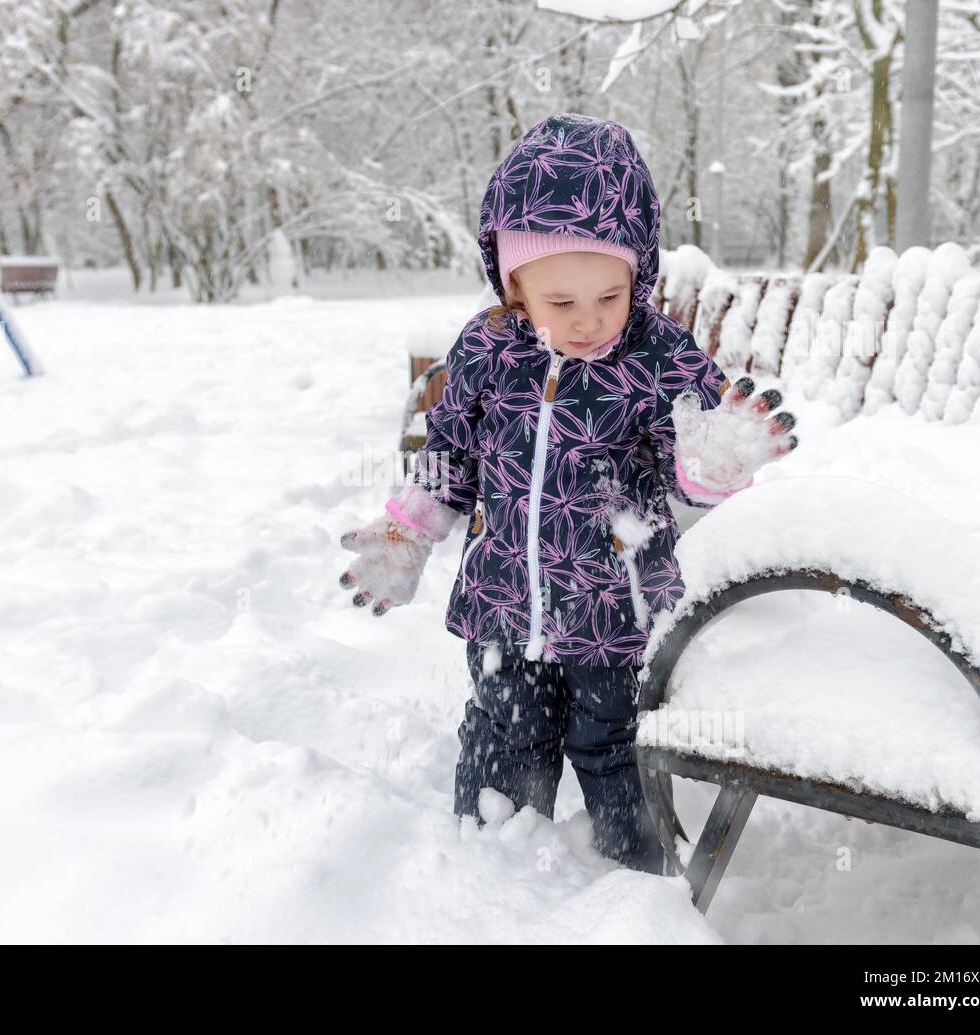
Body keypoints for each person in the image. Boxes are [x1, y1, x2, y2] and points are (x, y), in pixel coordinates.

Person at [339, 113, 798, 872]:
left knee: (614, 744)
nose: (588, 322)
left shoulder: (655, 354)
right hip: (503, 602)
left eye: (610, 296)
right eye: (560, 303)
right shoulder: (488, 347)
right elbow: (452, 452)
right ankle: (492, 878)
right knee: (502, 731)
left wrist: (712, 465)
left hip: (615, 603)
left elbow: (694, 458)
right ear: (512, 281)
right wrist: (410, 531)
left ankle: (639, 886)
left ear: (637, 276)